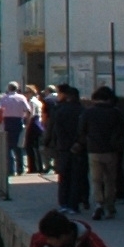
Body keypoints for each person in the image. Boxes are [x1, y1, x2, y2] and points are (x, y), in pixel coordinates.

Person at [82, 86, 124, 219]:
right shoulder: (115, 113)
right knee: (110, 180)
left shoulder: (88, 112)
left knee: (96, 180)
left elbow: (82, 130)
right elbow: (122, 131)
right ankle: (110, 206)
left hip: (93, 150)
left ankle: (98, 204)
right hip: (111, 151)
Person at [46, 85, 88, 213]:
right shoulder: (82, 110)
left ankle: (64, 203)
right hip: (79, 148)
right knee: (77, 177)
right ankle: (75, 203)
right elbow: (85, 130)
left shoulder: (59, 110)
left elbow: (54, 129)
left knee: (64, 177)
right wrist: (79, 143)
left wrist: (50, 142)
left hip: (63, 148)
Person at [0, 82, 34, 175]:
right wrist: (27, 120)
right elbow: (28, 110)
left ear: (8, 88)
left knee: (8, 147)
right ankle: (20, 169)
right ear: (17, 89)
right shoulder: (22, 98)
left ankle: (11, 169)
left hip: (7, 122)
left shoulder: (4, 98)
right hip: (18, 121)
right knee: (19, 146)